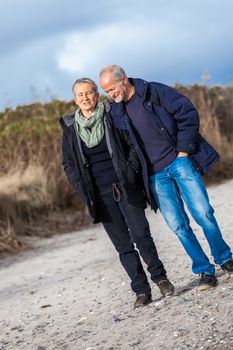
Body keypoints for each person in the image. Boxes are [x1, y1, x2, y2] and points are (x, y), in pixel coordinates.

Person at [99, 65, 233, 292]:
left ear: (123, 79)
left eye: (112, 88)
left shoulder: (153, 92)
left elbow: (187, 112)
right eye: (107, 92)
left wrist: (183, 150)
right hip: (155, 176)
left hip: (179, 162)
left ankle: (224, 258)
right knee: (178, 225)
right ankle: (204, 270)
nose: (111, 95)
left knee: (203, 213)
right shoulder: (116, 113)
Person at [59, 77, 174, 308]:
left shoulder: (112, 115)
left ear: (97, 94)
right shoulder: (71, 128)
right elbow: (68, 163)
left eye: (89, 93)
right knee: (123, 245)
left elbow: (131, 144)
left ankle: (161, 279)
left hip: (125, 186)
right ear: (75, 99)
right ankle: (141, 291)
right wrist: (80, 187)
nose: (85, 98)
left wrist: (131, 170)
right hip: (99, 194)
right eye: (80, 95)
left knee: (141, 235)